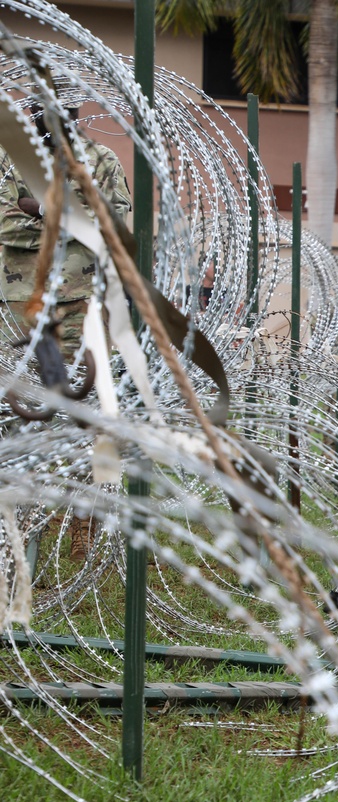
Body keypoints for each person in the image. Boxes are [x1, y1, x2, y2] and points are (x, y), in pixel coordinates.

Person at [0, 109, 130, 562]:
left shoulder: (102, 161)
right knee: (17, 415)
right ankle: (19, 526)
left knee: (87, 415)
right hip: (22, 308)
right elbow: (4, 227)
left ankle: (83, 522)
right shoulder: (6, 161)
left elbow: (114, 227)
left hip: (83, 306)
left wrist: (39, 209)